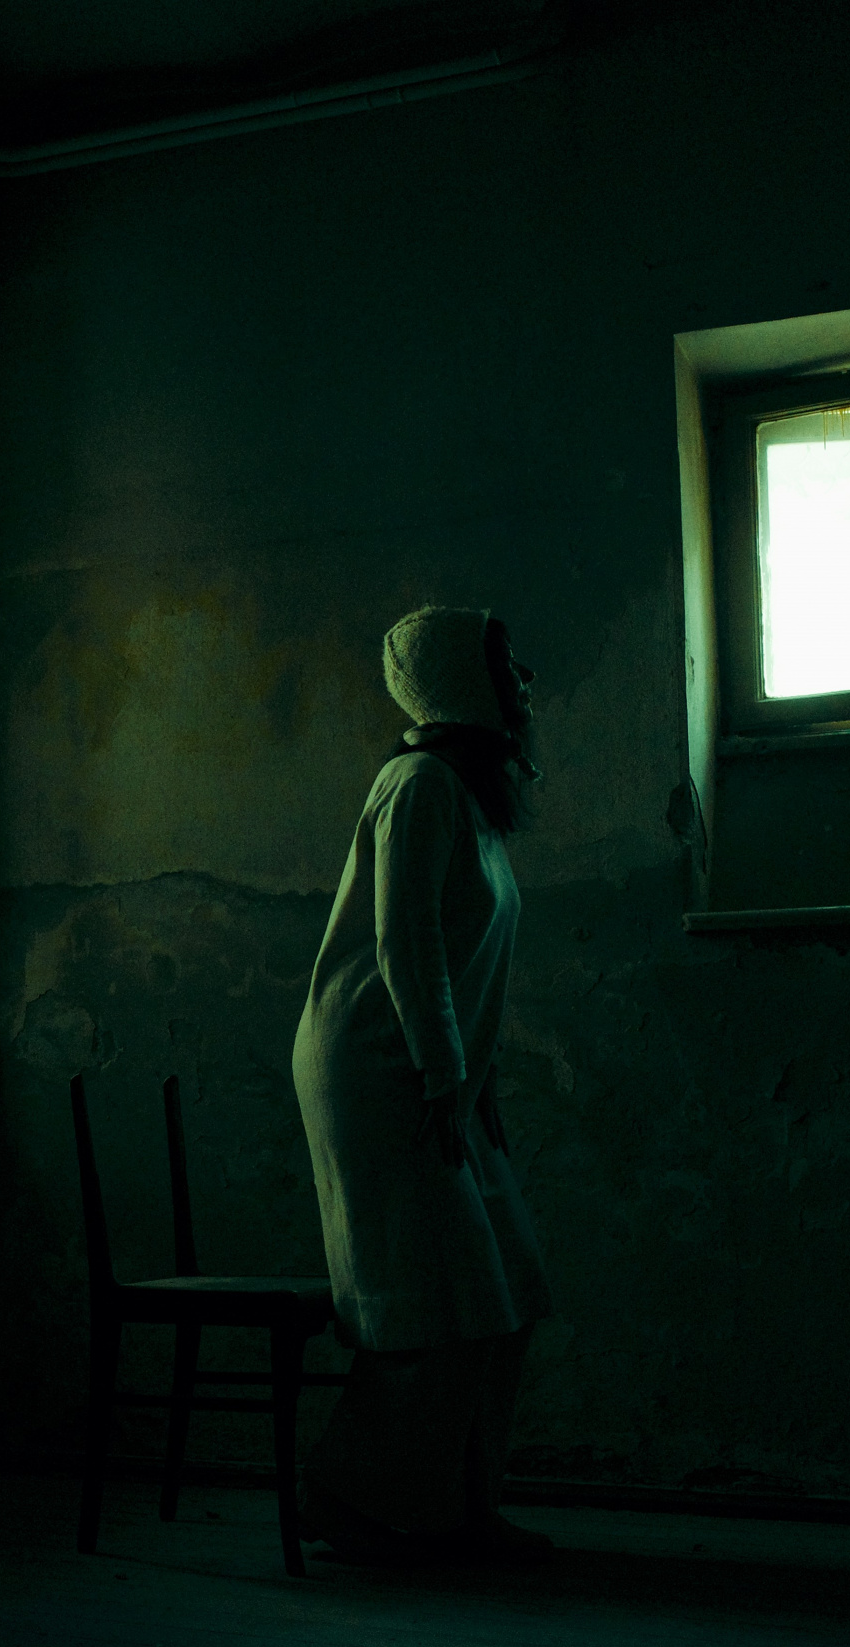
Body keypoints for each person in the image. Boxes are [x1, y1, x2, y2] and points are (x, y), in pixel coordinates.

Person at [292, 604, 555, 1568]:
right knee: (436, 1297)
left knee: (509, 1285)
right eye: (505, 661)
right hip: (379, 1069)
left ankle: (460, 1507)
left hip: (431, 1071)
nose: (524, 679)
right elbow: (405, 941)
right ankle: (350, 1497)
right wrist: (444, 1075)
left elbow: (464, 960)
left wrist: (475, 1086)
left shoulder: (464, 797)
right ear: (461, 678)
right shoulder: (416, 785)